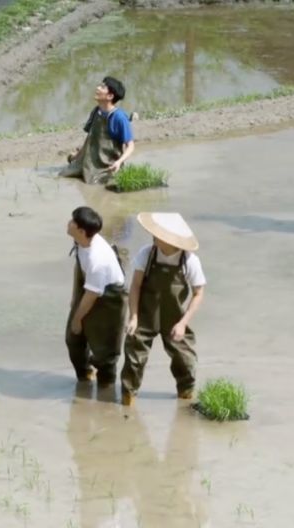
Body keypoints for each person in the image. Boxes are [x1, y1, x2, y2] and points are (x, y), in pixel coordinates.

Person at [121, 212, 206, 406]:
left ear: (169, 239)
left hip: (174, 317)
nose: (153, 236)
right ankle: (127, 403)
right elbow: (135, 286)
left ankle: (185, 399)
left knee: (185, 359)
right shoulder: (147, 253)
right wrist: (133, 317)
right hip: (145, 313)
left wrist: (183, 323)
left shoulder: (189, 261)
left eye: (158, 234)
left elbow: (199, 293)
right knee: (134, 357)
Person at [66, 206, 128, 386]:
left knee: (105, 352)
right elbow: (80, 272)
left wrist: (78, 319)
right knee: (73, 338)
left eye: (72, 222)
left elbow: (93, 294)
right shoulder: (81, 241)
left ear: (81, 231)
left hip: (110, 298)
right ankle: (85, 377)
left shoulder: (97, 259)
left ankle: (106, 390)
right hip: (89, 289)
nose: (68, 223)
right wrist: (74, 299)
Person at [59, 76, 136, 185]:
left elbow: (131, 145)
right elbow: (89, 139)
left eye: (102, 87)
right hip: (88, 163)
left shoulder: (119, 117)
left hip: (107, 166)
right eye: (99, 86)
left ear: (110, 96)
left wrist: (119, 162)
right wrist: (76, 156)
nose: (98, 88)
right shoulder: (96, 111)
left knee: (98, 185)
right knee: (62, 175)